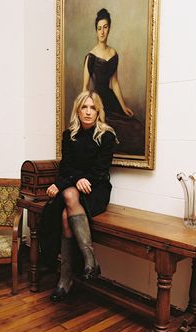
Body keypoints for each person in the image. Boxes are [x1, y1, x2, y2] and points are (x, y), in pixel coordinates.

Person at [38, 91, 117, 302]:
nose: (88, 111)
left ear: (98, 111)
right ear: (78, 110)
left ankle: (65, 279)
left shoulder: (106, 135)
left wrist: (78, 180)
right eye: (84, 107)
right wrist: (71, 180)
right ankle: (88, 260)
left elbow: (101, 170)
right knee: (68, 203)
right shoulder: (69, 134)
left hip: (96, 189)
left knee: (67, 209)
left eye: (92, 107)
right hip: (74, 186)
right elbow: (66, 167)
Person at [83, 8, 145, 155]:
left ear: (109, 28)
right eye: (99, 29)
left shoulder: (113, 54)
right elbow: (85, 88)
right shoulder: (90, 57)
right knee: (110, 131)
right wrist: (91, 109)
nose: (102, 32)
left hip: (111, 99)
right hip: (97, 102)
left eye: (105, 27)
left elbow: (115, 82)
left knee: (136, 127)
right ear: (96, 31)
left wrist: (123, 106)